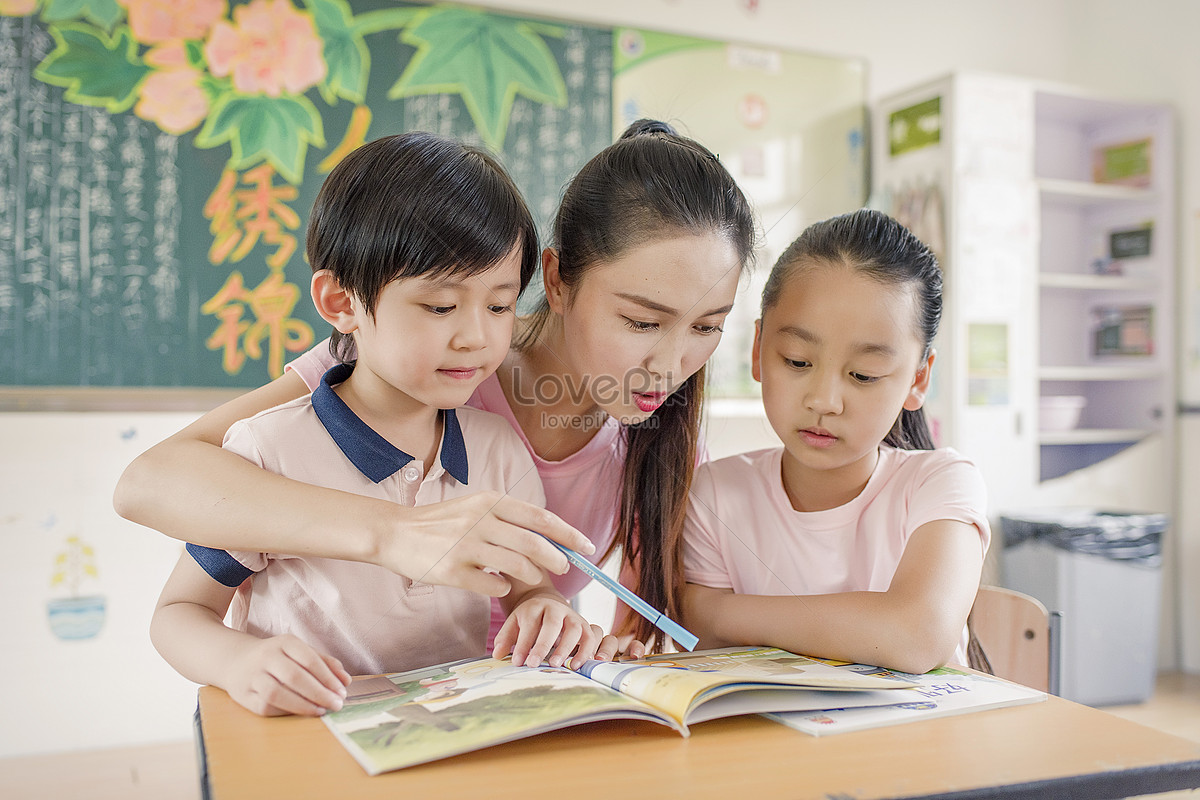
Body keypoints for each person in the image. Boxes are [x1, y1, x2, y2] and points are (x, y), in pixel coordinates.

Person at [116, 119, 757, 654]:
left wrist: (596, 647)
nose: (672, 365)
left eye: (707, 326)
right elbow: (150, 482)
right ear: (558, 280)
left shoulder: (660, 438)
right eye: (642, 321)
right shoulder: (409, 364)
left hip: (497, 704)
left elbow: (627, 629)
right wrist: (392, 531)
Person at [150, 132, 612, 718]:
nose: (476, 336)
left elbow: (532, 592)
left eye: (499, 306)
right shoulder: (269, 450)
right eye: (440, 307)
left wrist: (544, 610)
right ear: (341, 303)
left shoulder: (497, 450)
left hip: (450, 737)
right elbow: (178, 614)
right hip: (306, 739)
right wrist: (236, 662)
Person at [681, 209, 989, 674]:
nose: (825, 401)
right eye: (798, 361)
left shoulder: (941, 484)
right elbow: (711, 665)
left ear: (918, 379)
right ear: (758, 351)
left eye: (863, 375)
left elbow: (916, 635)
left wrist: (717, 610)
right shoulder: (716, 493)